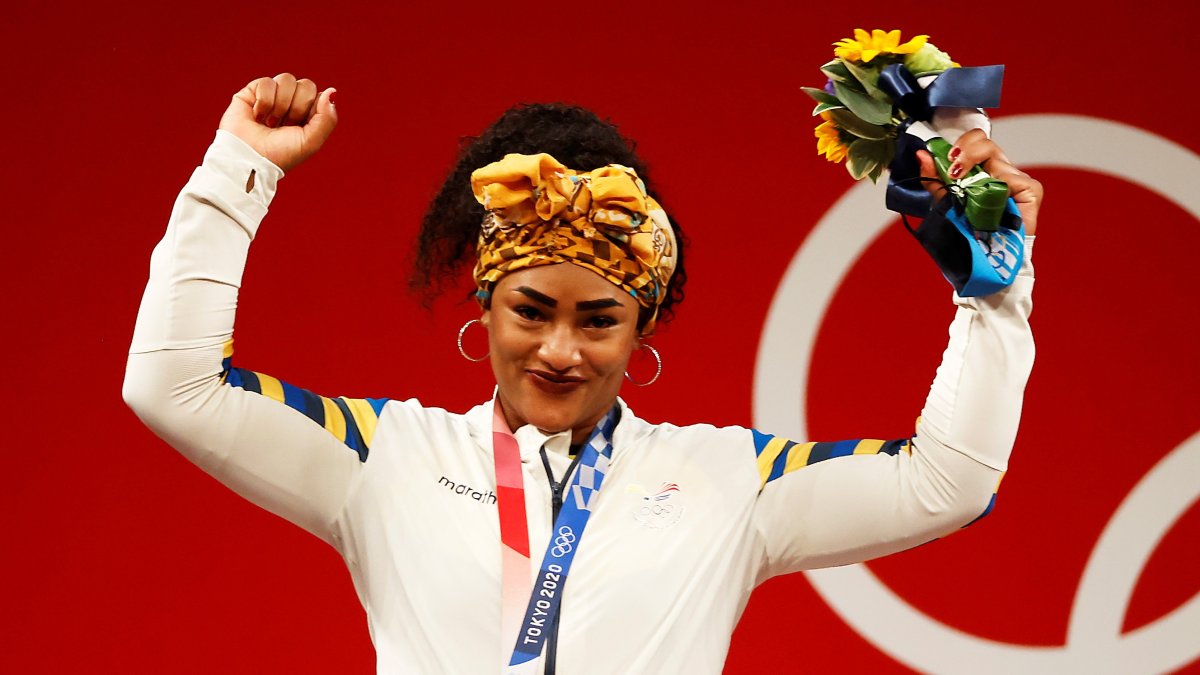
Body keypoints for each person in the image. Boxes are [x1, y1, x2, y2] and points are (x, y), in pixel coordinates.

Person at [123, 73, 1041, 674]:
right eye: (531, 311)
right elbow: (172, 386)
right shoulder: (384, 456)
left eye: (599, 320)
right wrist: (238, 172)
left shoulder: (730, 480)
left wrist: (995, 292)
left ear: (642, 330)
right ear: (485, 307)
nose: (560, 349)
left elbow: (948, 482)